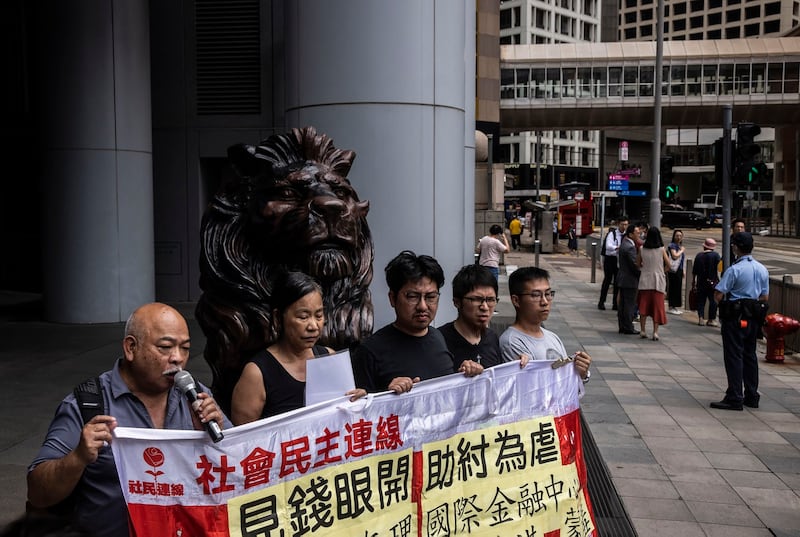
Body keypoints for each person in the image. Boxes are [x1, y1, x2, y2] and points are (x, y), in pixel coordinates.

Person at [27, 303, 232, 537]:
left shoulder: (196, 396)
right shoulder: (87, 405)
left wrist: (218, 437)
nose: (177, 358)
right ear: (131, 347)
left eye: (184, 348)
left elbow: (241, 469)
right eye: (165, 347)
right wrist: (78, 458)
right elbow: (37, 492)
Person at [231, 272, 366, 424]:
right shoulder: (257, 373)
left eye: (319, 316)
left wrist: (358, 402)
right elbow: (240, 440)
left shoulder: (329, 357)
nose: (314, 326)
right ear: (278, 317)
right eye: (303, 317)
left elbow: (345, 419)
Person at [352, 251, 483, 394]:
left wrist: (464, 375)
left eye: (430, 297)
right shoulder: (370, 351)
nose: (422, 306)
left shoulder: (439, 337)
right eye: (413, 296)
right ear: (392, 298)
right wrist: (386, 393)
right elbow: (360, 407)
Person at [499, 267, 591, 383]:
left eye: (548, 294)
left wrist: (581, 373)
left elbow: (567, 385)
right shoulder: (512, 342)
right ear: (516, 300)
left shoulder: (552, 337)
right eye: (536, 295)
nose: (544, 302)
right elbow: (533, 389)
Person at [711, 232, 769, 411]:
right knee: (750, 356)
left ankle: (735, 396)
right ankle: (752, 394)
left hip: (735, 318)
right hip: (753, 318)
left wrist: (727, 303)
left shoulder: (734, 270)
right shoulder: (761, 269)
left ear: (736, 247)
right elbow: (764, 297)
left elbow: (718, 295)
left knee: (734, 356)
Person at [636, 227, 670, 341]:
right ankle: (655, 332)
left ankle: (642, 330)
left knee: (643, 307)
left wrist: (645, 269)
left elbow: (638, 263)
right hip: (658, 281)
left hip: (645, 280)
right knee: (657, 307)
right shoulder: (661, 249)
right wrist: (661, 271)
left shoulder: (641, 248)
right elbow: (669, 265)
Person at [598, 216, 627, 311]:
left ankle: (615, 303)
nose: (624, 226)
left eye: (626, 224)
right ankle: (601, 302)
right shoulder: (612, 234)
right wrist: (617, 248)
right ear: (618, 224)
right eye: (623, 224)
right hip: (610, 259)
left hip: (620, 260)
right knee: (607, 280)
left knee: (617, 283)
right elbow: (608, 246)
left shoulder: (626, 235)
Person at [616, 224, 641, 335]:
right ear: (631, 234)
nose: (639, 235)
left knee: (623, 305)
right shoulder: (630, 247)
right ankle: (628, 327)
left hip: (623, 278)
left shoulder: (624, 244)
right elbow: (634, 265)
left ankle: (623, 326)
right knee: (629, 305)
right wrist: (641, 274)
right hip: (629, 280)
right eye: (637, 233)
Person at [692, 238, 721, 327]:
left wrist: (693, 282)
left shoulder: (699, 256)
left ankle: (701, 318)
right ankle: (711, 319)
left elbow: (694, 271)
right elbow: (720, 268)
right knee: (713, 301)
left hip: (701, 282)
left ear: (704, 247)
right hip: (713, 282)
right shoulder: (716, 256)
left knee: (701, 300)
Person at [666, 229, 686, 315]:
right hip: (674, 270)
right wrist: (681, 251)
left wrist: (683, 271)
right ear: (673, 236)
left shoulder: (679, 246)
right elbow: (674, 256)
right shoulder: (672, 245)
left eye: (680, 236)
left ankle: (674, 306)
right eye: (677, 235)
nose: (678, 237)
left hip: (679, 269)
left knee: (677, 288)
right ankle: (671, 306)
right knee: (674, 288)